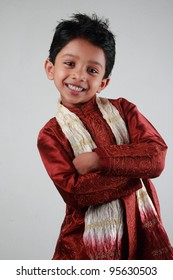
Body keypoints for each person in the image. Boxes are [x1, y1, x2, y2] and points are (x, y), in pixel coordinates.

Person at [37, 13, 173, 260]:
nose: (79, 76)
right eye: (70, 64)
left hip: (140, 233)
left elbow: (156, 156)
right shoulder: (51, 134)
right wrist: (134, 173)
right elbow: (76, 194)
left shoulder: (124, 110)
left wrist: (100, 159)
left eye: (92, 69)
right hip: (83, 246)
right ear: (50, 68)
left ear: (103, 82)